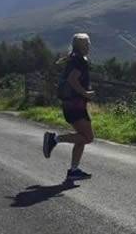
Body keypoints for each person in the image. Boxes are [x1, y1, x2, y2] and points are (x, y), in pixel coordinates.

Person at [42, 33, 95, 181]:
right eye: (87, 44)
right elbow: (73, 80)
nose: (89, 46)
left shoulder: (73, 59)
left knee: (82, 138)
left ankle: (74, 170)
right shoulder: (80, 61)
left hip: (71, 104)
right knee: (88, 137)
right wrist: (86, 93)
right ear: (81, 46)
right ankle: (54, 140)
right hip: (76, 105)